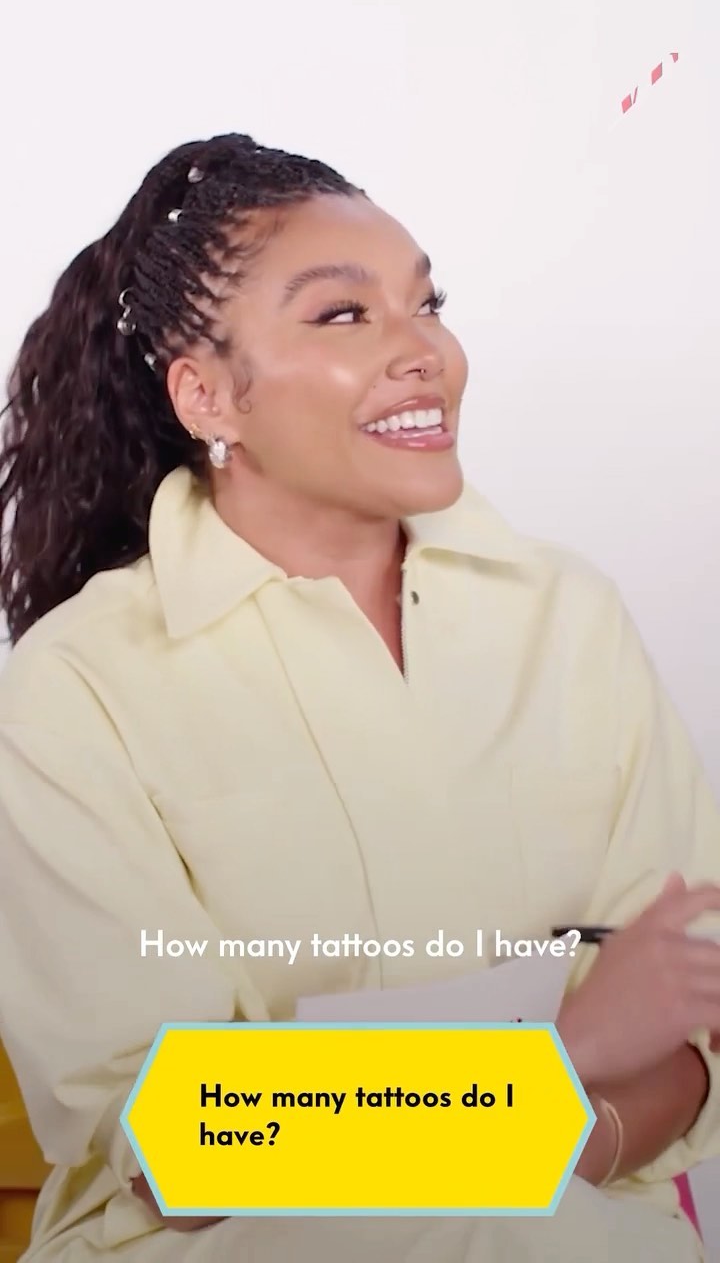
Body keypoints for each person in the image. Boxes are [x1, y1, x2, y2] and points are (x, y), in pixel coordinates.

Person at [0, 131, 718, 1263]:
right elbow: (180, 1142)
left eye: (428, 303)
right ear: (206, 394)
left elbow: (690, 1039)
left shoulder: (567, 618)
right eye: (345, 315)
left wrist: (501, 1150)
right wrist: (561, 1057)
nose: (424, 349)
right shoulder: (75, 689)